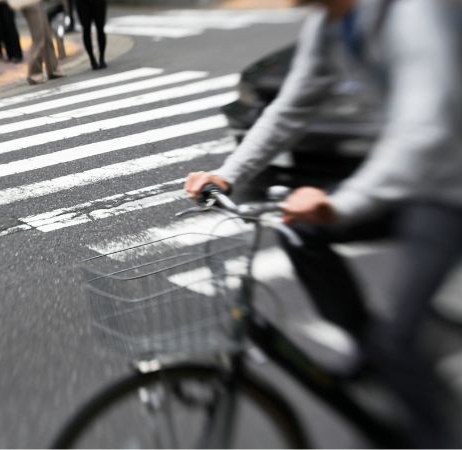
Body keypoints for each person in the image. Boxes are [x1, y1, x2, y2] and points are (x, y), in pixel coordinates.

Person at [184, 0, 462, 447]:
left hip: (449, 191)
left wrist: (341, 204)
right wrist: (228, 174)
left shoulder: (411, 14)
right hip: (410, 183)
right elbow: (291, 106)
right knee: (300, 230)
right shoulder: (331, 22)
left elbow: (424, 130)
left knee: (401, 337)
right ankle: (371, 351)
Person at [8, 0, 63, 85]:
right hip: (30, 3)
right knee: (39, 37)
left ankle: (53, 68)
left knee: (46, 34)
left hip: (36, 3)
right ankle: (34, 73)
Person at [75, 0, 107, 70]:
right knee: (86, 28)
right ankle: (92, 59)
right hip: (82, 2)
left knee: (100, 27)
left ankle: (102, 58)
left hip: (98, 2)